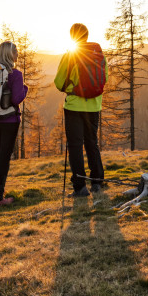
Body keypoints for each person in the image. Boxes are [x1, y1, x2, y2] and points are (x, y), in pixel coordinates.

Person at [54, 23, 108, 197]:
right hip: (94, 106)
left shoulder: (71, 55)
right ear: (86, 35)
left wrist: (71, 89)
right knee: (92, 142)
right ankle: (97, 181)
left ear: (72, 37)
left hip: (74, 106)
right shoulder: (99, 55)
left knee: (76, 146)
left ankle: (80, 187)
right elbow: (104, 78)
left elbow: (59, 82)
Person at [0, 40, 28, 208]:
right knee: (4, 156)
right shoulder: (15, 74)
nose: (17, 53)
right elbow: (17, 98)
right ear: (10, 54)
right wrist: (25, 88)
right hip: (9, 120)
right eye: (15, 51)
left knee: (0, 154)